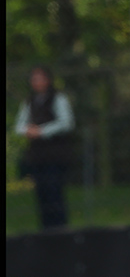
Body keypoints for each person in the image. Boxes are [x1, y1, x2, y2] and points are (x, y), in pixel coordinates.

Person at [14, 66, 75, 230]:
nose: (36, 82)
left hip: (55, 156)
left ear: (48, 80)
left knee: (55, 193)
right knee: (42, 196)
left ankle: (60, 229)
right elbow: (19, 126)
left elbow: (66, 123)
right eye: (34, 79)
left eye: (39, 78)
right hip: (37, 156)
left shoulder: (58, 99)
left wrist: (42, 131)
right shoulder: (29, 101)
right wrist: (29, 130)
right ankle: (46, 230)